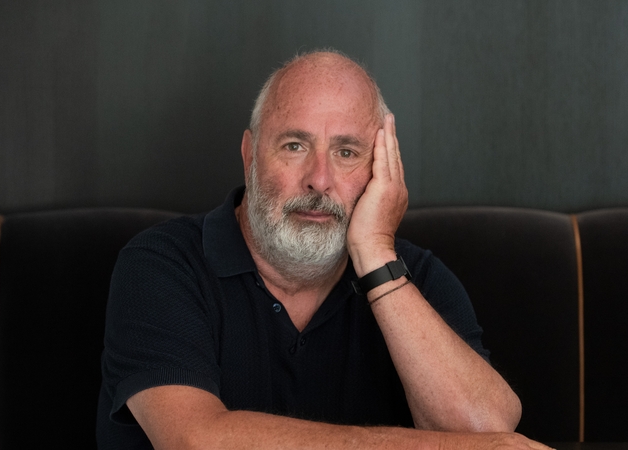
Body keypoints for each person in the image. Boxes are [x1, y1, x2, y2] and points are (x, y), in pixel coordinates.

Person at [97, 49, 550, 450]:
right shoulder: (161, 265)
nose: (319, 178)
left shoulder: (416, 277)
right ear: (250, 155)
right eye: (295, 145)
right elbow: (195, 441)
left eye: (348, 153)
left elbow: (488, 431)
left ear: (382, 168)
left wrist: (375, 255)